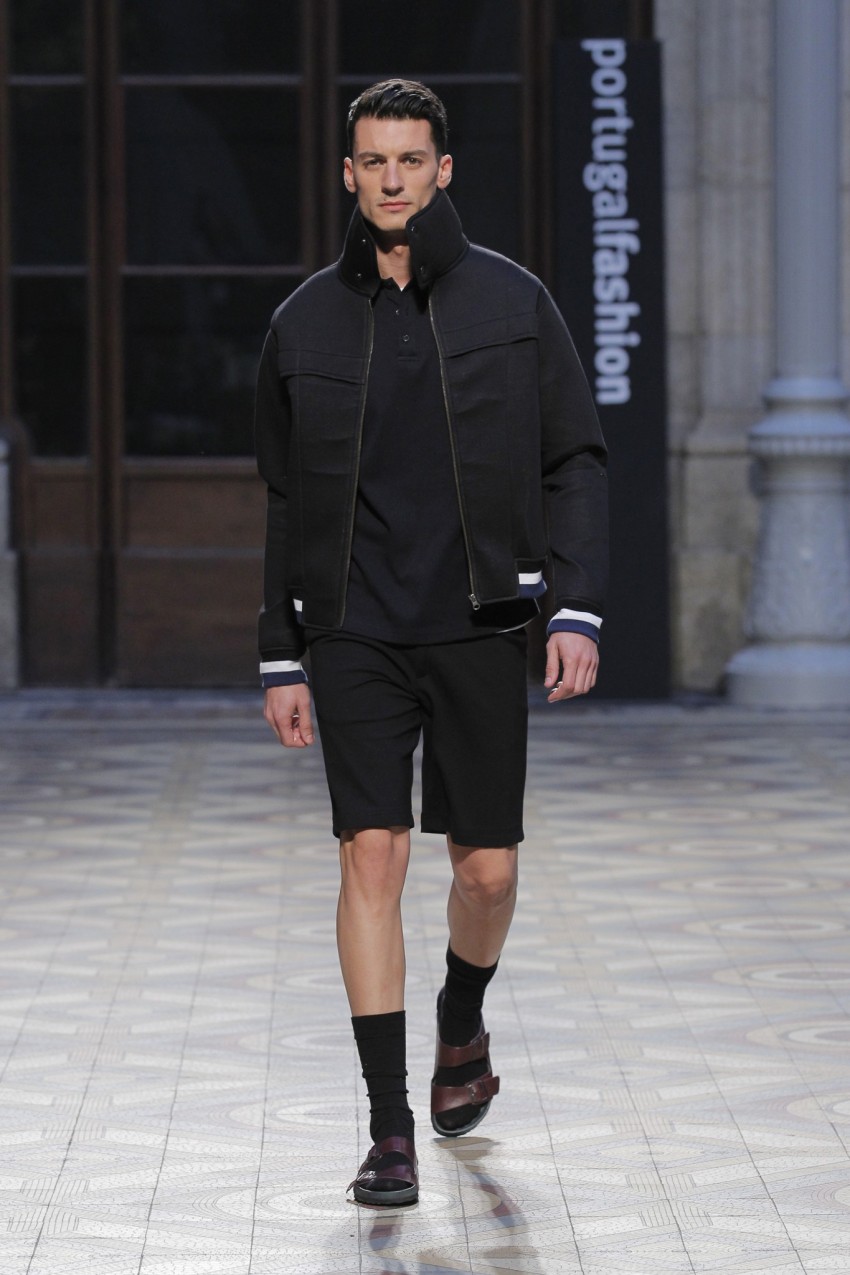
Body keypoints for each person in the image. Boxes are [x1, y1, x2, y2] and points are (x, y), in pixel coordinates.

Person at [255, 79, 607, 1207]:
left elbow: (574, 457)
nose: (393, 178)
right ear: (348, 174)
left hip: (479, 621)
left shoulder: (513, 301)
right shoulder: (304, 322)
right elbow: (282, 499)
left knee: (486, 870)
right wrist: (280, 651)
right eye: (374, 160)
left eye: (411, 159)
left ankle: (463, 1020)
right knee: (372, 854)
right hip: (352, 626)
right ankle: (388, 1129)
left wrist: (574, 605)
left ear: (443, 170)